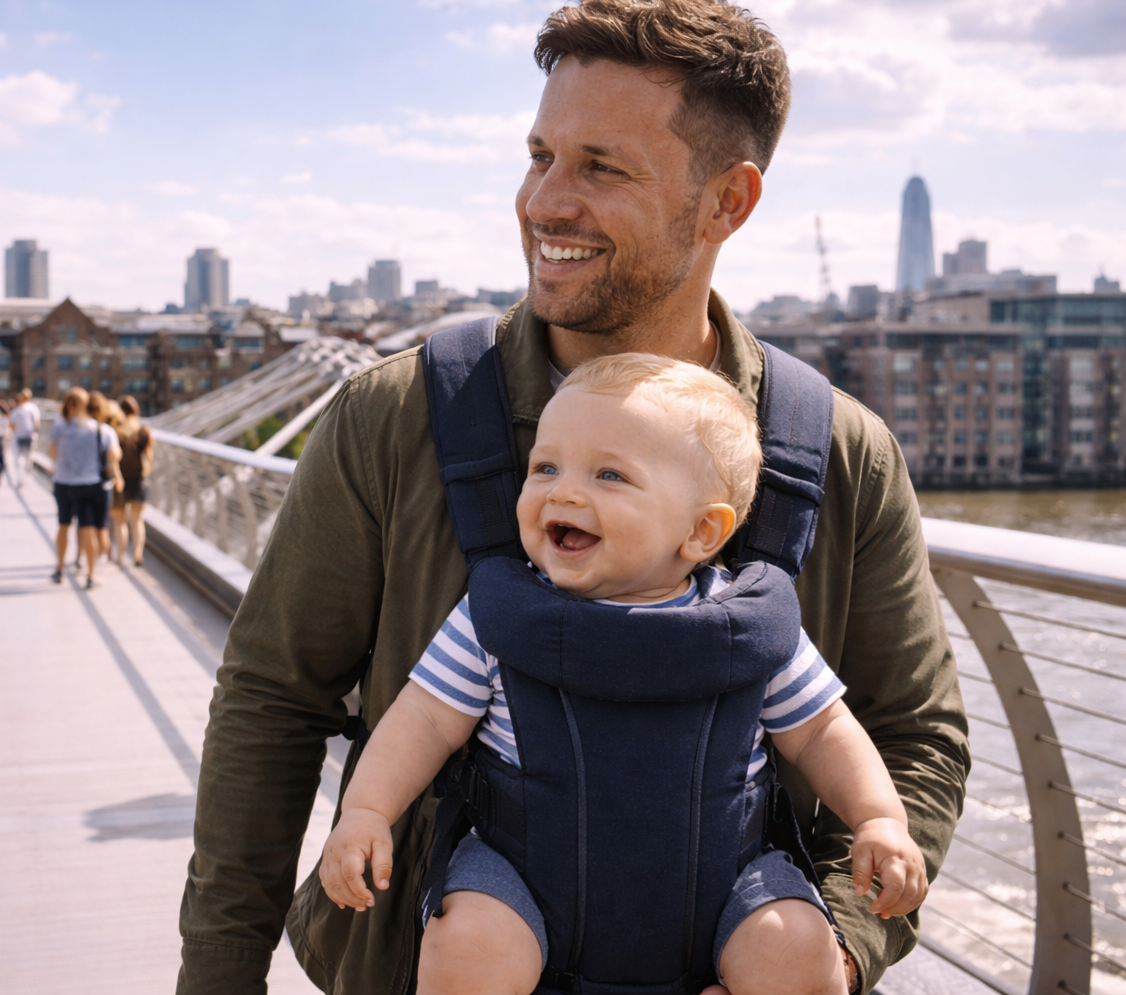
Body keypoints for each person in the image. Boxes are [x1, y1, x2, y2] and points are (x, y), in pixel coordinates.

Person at [178, 0, 967, 995]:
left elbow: (913, 737)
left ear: (729, 201)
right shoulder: (395, 417)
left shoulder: (841, 454)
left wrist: (836, 951)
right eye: (540, 155)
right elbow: (272, 702)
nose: (545, 202)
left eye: (601, 167)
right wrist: (219, 975)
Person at [319, 354, 928, 995]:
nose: (565, 491)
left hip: (729, 887)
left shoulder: (750, 627)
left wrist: (878, 820)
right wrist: (365, 810)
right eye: (545, 467)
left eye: (610, 475)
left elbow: (822, 731)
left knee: (799, 951)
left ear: (702, 530)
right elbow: (423, 719)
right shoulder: (496, 618)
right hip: (524, 881)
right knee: (466, 943)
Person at [49, 386, 121, 589]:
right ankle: (90, 574)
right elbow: (114, 455)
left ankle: (59, 568)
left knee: (63, 526)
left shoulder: (59, 428)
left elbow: (53, 452)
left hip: (63, 482)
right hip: (90, 483)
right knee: (88, 529)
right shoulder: (101, 430)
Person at [111, 394, 154, 568]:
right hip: (139, 480)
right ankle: (137, 554)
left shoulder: (115, 430)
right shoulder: (144, 430)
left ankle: (120, 557)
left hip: (120, 480)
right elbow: (149, 458)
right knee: (137, 520)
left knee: (120, 521)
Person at [8, 387, 40, 488]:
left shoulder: (29, 408)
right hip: (20, 436)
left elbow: (36, 423)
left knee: (26, 458)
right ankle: (21, 478)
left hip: (27, 436)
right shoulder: (19, 409)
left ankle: (24, 476)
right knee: (22, 459)